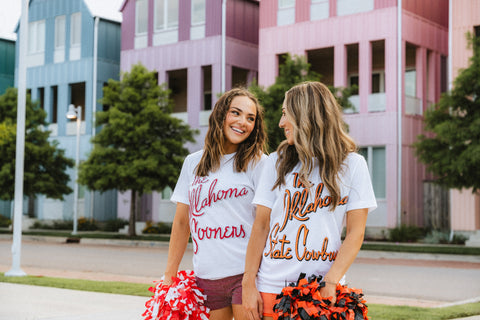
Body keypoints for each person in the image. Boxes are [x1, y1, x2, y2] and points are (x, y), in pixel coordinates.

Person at [242, 81, 377, 320]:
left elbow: (356, 233)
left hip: (321, 293)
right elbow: (261, 227)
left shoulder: (353, 165)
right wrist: (248, 284)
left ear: (305, 115)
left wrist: (331, 281)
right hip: (272, 290)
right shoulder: (274, 162)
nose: (281, 123)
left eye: (285, 114)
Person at [163, 87, 267, 320]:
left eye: (251, 118)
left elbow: (265, 224)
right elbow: (181, 223)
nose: (243, 122)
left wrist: (250, 280)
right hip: (205, 277)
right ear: (221, 115)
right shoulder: (193, 163)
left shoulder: (259, 163)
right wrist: (170, 275)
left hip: (246, 276)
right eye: (236, 113)